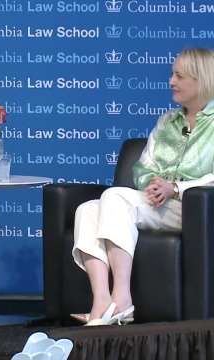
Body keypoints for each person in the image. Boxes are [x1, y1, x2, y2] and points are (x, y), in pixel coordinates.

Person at [71, 47, 214, 326]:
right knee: (88, 209)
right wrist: (152, 184)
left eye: (179, 76)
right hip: (159, 204)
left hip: (198, 209)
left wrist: (176, 187)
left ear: (202, 80)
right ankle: (101, 301)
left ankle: (122, 298)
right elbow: (144, 165)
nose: (171, 81)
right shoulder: (166, 122)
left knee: (114, 196)